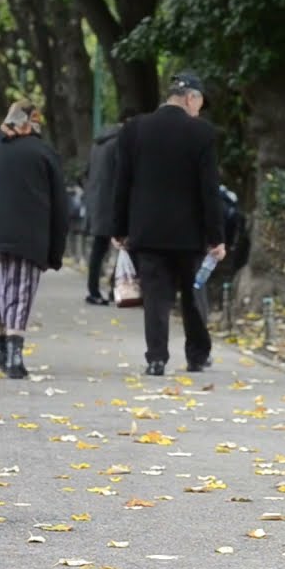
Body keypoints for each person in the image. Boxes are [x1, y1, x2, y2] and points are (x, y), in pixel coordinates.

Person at [112, 72, 225, 376]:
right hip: (190, 233)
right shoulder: (201, 133)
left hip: (147, 231)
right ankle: (197, 355)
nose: (199, 111)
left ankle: (156, 359)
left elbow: (122, 183)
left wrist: (119, 229)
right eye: (199, 103)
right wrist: (217, 237)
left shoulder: (134, 129)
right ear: (191, 98)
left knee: (156, 297)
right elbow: (209, 190)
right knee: (193, 295)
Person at [0, 100, 68, 379]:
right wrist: (55, 248)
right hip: (28, 239)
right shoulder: (44, 153)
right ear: (30, 124)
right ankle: (14, 356)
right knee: (18, 293)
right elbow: (60, 205)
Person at [82, 108, 138, 305]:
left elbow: (86, 173)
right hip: (112, 204)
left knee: (99, 249)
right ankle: (120, 289)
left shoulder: (98, 144)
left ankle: (94, 290)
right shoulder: (120, 144)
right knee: (126, 246)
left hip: (97, 203)